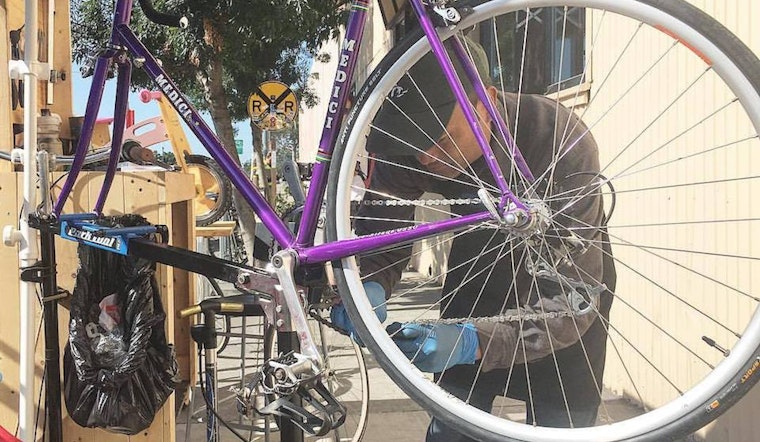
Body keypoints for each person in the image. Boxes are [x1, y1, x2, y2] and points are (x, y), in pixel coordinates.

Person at [332, 35, 616, 439]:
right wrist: (370, 286)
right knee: (453, 426)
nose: (426, 158)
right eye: (416, 147)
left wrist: (470, 343)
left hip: (563, 280)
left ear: (487, 101)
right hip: (478, 271)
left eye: (442, 140)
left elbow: (576, 303)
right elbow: (385, 238)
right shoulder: (409, 148)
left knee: (563, 423)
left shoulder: (556, 135)